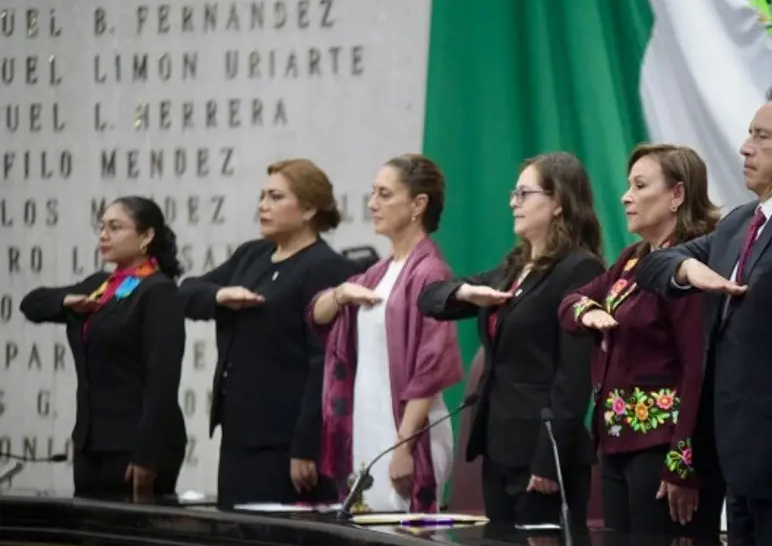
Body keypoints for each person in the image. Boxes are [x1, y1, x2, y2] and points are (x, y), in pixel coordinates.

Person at [635, 84, 772, 546]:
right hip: (734, 462)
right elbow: (656, 266)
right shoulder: (739, 223)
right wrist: (687, 269)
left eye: (761, 136)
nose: (745, 147)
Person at [418, 151, 604, 526]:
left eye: (524, 194)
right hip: (498, 445)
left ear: (557, 203)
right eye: (513, 194)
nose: (512, 203)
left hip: (542, 451)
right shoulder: (514, 267)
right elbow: (429, 298)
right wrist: (466, 294)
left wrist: (548, 461)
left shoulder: (580, 267)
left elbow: (572, 378)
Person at [557, 144, 724, 546]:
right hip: (616, 441)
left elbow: (696, 370)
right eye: (628, 185)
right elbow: (569, 302)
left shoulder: (689, 267)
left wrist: (682, 465)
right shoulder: (632, 260)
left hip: (662, 449)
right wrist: (587, 313)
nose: (625, 196)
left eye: (640, 185)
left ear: (677, 195)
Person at [179, 159, 356, 506]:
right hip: (239, 430)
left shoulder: (324, 266)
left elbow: (324, 364)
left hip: (286, 441)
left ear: (307, 209)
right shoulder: (252, 255)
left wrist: (306, 447)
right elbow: (185, 292)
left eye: (275, 197)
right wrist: (220, 295)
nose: (262, 206)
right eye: (262, 196)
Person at [309, 154, 462, 512]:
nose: (372, 203)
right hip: (369, 430)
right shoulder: (378, 272)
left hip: (406, 439)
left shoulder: (430, 273)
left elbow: (431, 369)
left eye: (384, 194)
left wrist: (403, 448)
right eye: (372, 193)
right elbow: (316, 313)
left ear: (418, 205)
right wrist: (340, 293)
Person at [20, 197, 186, 499]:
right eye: (101, 227)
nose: (103, 235)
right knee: (87, 539)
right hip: (90, 441)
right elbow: (31, 303)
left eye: (115, 227)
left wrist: (147, 454)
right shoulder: (101, 285)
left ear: (146, 236)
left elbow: (163, 379)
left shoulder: (158, 290)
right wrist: (65, 302)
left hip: (136, 445)